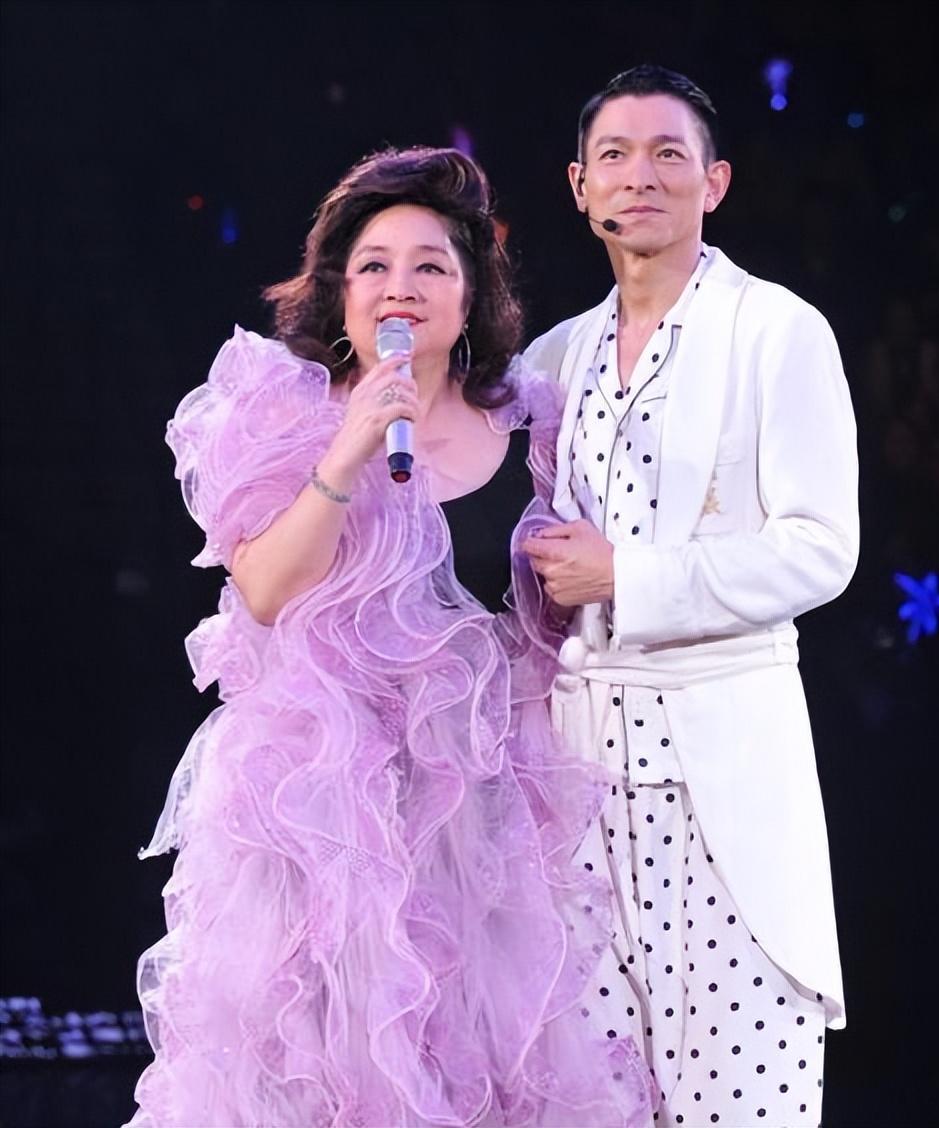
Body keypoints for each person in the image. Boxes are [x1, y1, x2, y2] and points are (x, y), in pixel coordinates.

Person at [127, 148, 654, 1127]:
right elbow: (264, 589)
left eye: (429, 266)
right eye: (374, 265)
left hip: (475, 829)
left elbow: (545, 622)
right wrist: (349, 447)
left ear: (470, 295)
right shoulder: (282, 413)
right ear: (340, 291)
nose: (399, 287)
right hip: (315, 819)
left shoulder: (534, 430)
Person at [521, 65, 859, 1128]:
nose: (642, 176)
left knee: (741, 1097)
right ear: (579, 186)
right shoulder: (553, 359)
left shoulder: (776, 330)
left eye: (669, 154)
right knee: (587, 1099)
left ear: (714, 182)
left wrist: (630, 577)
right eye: (615, 156)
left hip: (722, 774)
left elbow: (821, 549)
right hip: (577, 783)